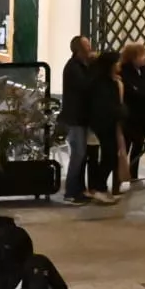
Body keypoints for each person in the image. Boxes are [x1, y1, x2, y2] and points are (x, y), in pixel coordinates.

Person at [58, 36, 95, 204]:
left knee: (82, 154)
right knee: (78, 154)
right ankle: (70, 192)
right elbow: (85, 86)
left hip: (82, 117)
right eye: (87, 46)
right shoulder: (73, 67)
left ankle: (79, 189)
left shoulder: (83, 65)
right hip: (74, 118)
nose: (91, 48)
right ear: (79, 50)